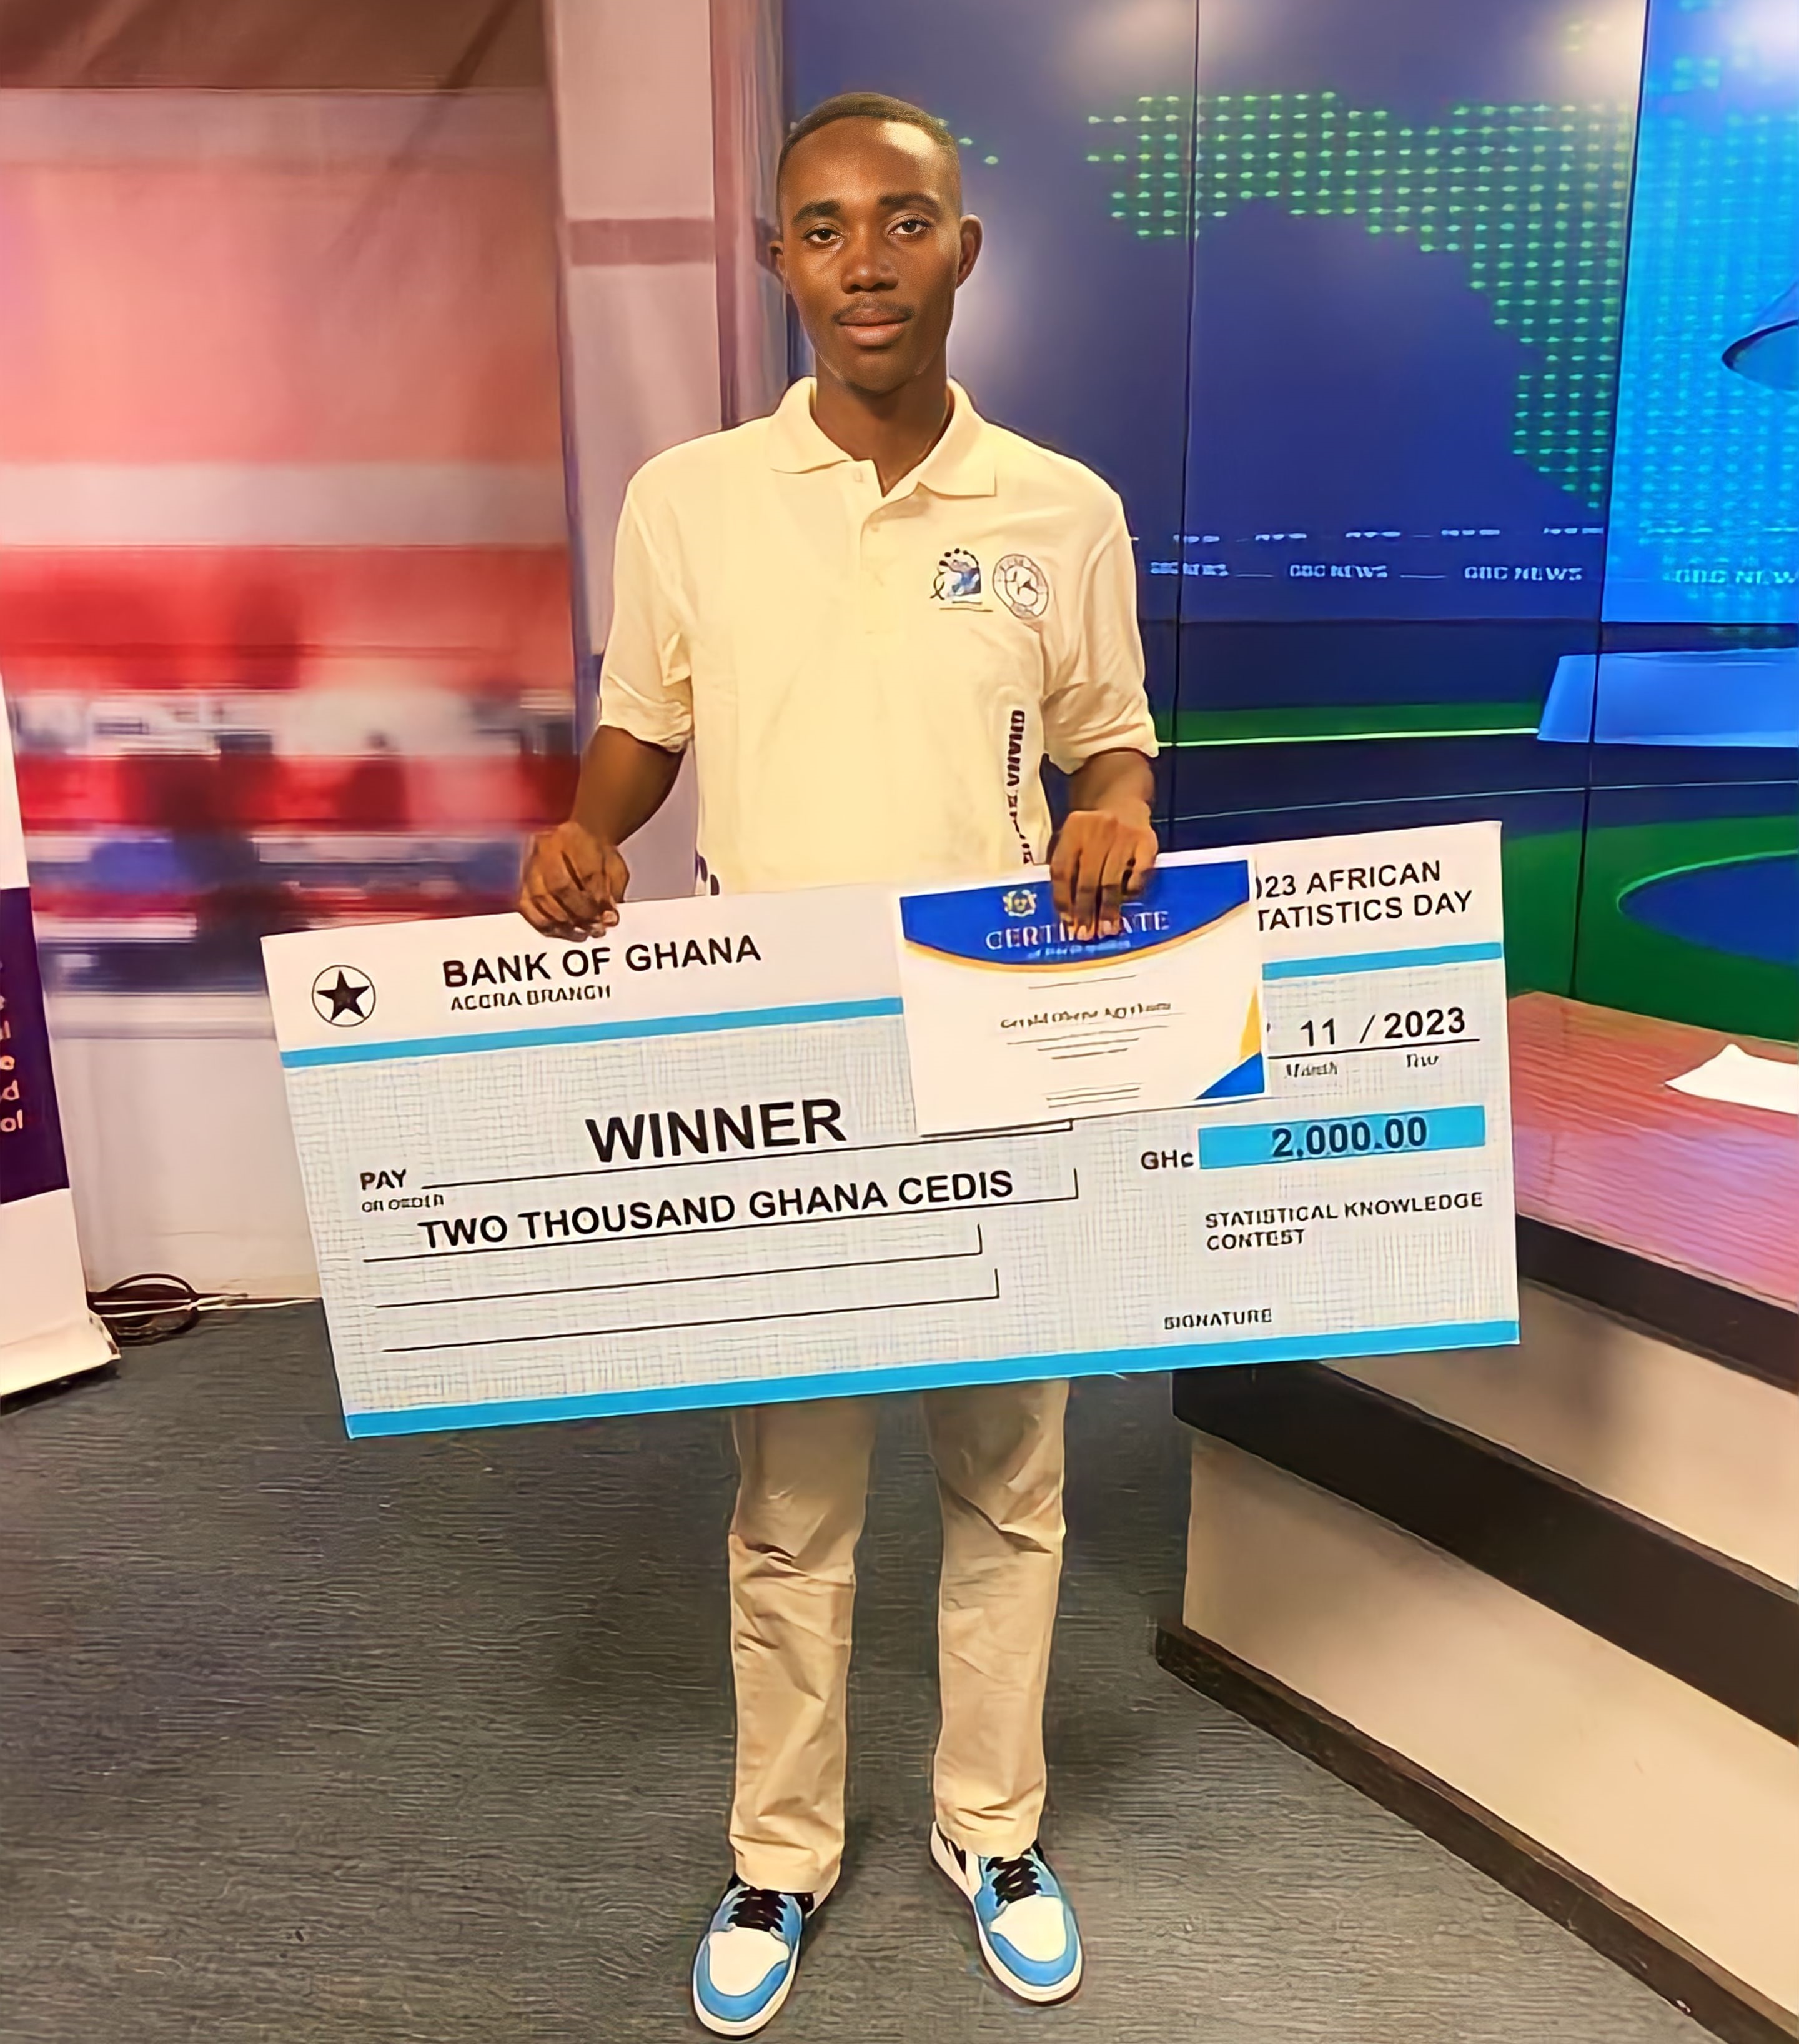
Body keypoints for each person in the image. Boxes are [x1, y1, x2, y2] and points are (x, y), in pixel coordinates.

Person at [518, 91, 1159, 2035]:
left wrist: (1117, 804)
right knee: (791, 1502)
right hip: (780, 1046)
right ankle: (782, 1853)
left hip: (997, 1035)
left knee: (1011, 1479)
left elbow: (1109, 732)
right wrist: (585, 833)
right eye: (822, 226)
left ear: (965, 248)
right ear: (777, 260)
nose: (863, 259)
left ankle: (994, 1826)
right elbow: (646, 722)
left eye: (902, 219)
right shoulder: (690, 498)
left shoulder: (1062, 508)